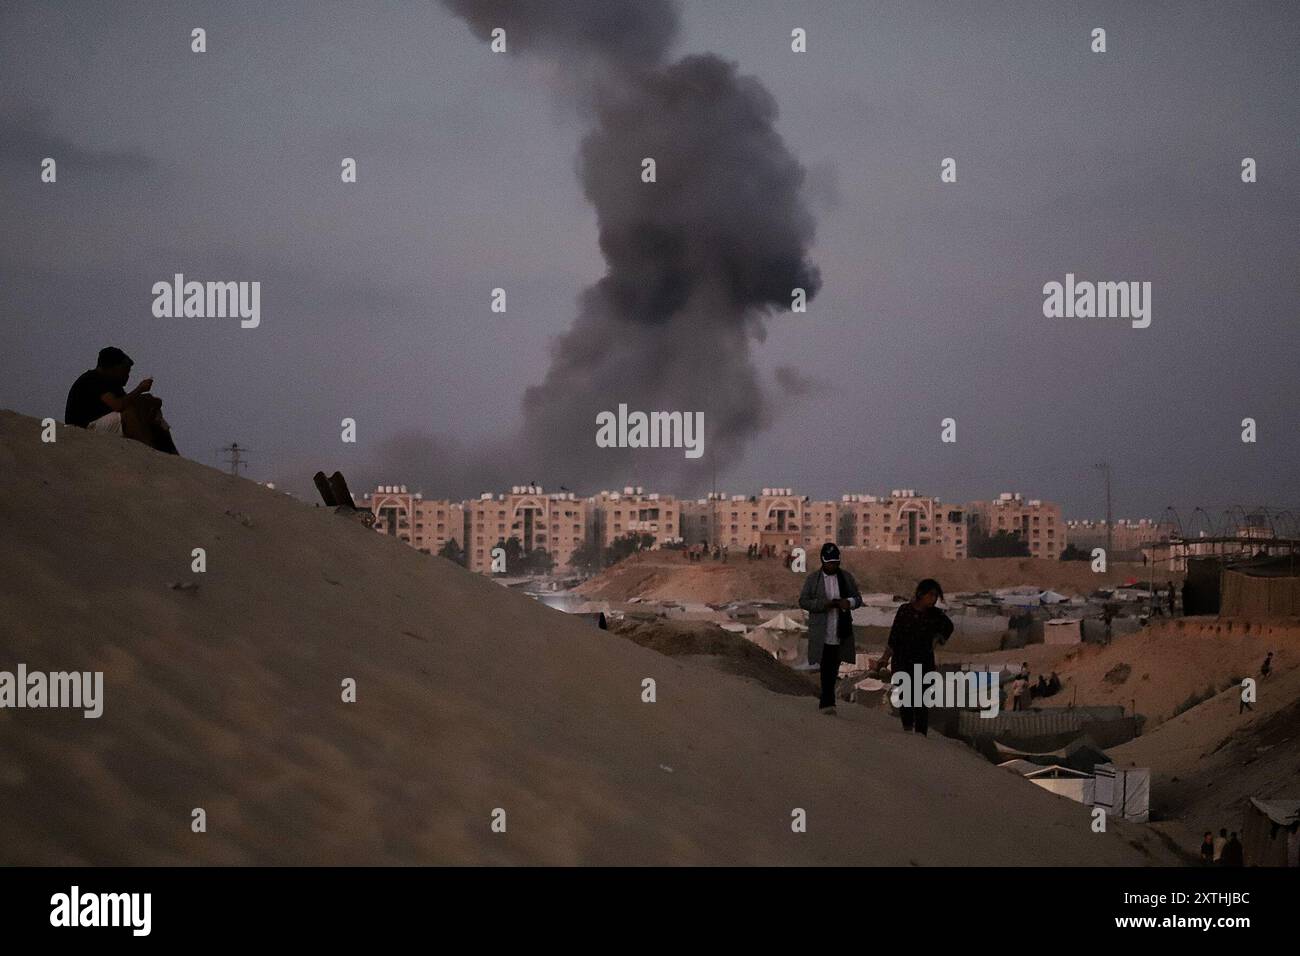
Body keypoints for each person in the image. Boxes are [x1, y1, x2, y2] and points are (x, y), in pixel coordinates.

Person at [875, 579, 954, 735]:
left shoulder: (936, 615)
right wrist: (885, 658)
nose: (933, 599)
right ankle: (907, 732)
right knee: (905, 697)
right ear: (921, 594)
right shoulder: (905, 611)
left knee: (921, 701)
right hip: (902, 660)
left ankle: (920, 736)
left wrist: (938, 639)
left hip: (923, 662)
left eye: (936, 596)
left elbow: (949, 627)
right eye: (931, 595)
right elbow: (894, 636)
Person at [65, 347, 178, 454]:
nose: (127, 375)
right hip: (82, 431)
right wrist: (139, 389)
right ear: (112, 367)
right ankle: (150, 452)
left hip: (104, 425)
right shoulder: (93, 379)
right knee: (129, 414)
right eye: (125, 370)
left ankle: (169, 453)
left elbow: (128, 402)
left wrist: (150, 402)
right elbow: (118, 405)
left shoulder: (113, 385)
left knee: (146, 407)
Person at [798, 543, 864, 715]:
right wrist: (823, 604)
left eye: (835, 562)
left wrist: (847, 603)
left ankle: (827, 700)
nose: (833, 566)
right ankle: (827, 702)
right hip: (822, 630)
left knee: (834, 666)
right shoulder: (813, 579)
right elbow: (803, 601)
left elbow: (858, 599)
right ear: (823, 561)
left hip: (840, 630)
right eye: (830, 562)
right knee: (826, 665)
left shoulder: (846, 578)